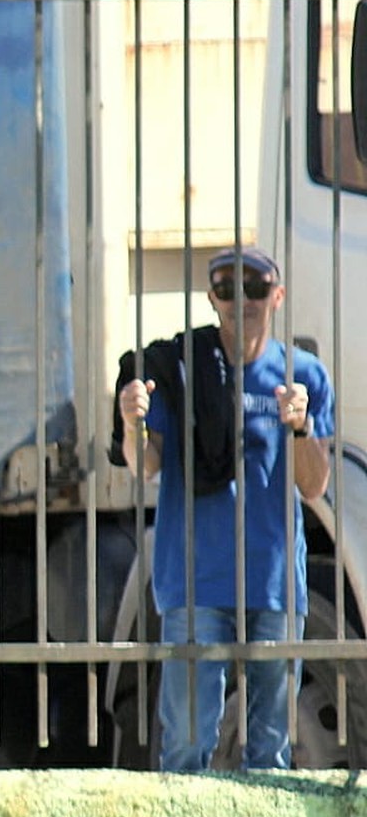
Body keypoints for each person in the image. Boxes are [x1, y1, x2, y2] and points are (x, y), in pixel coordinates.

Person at [112, 246, 334, 772]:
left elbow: (315, 483)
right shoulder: (181, 368)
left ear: (276, 296)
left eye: (255, 287)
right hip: (194, 579)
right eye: (226, 287)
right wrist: (131, 423)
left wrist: (299, 428)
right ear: (213, 298)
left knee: (273, 750)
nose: (242, 300)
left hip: (274, 583)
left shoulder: (304, 374)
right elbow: (144, 465)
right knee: (186, 744)